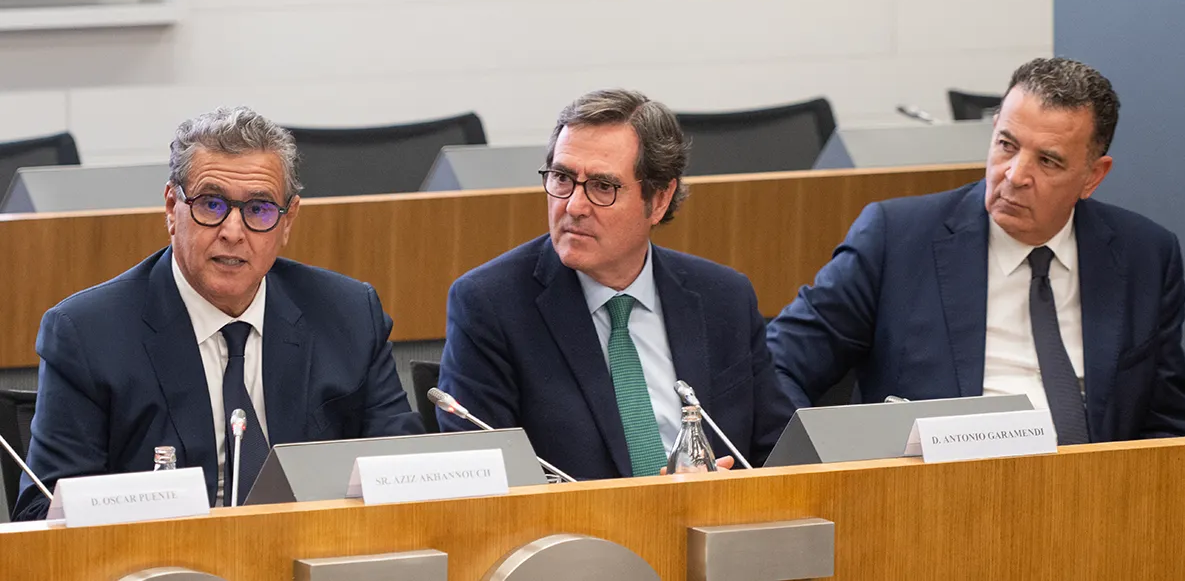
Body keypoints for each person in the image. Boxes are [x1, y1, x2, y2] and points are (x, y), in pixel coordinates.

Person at [13, 107, 422, 521]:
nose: (232, 230)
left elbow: (406, 476)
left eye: (259, 209)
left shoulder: (348, 315)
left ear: (287, 221)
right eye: (211, 204)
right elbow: (40, 514)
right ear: (173, 208)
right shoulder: (88, 334)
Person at [768, 57, 1185, 443]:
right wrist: (824, 466)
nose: (1014, 175)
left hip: (1091, 505)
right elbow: (775, 366)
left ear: (1092, 176)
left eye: (1047, 161)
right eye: (1007, 145)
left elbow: (1167, 427)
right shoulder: (896, 240)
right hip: (933, 501)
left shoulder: (1145, 256)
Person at [437, 89, 793, 480]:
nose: (573, 205)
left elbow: (778, 457)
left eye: (602, 187)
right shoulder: (491, 305)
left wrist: (733, 490)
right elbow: (483, 480)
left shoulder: (723, 299)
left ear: (658, 199)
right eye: (561, 178)